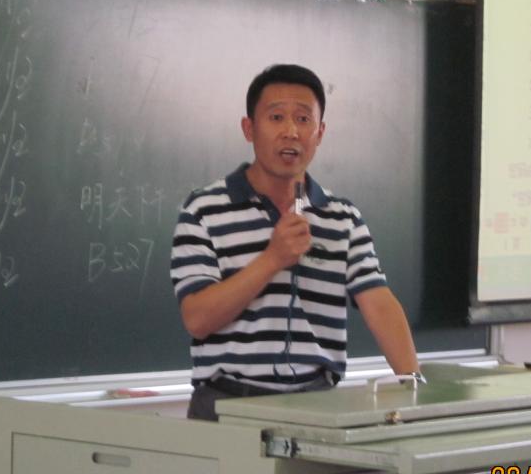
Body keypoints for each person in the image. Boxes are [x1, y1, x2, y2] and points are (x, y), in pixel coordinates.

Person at [170, 64, 422, 420]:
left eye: (303, 120)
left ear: (320, 133)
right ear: (249, 128)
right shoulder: (204, 210)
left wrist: (413, 386)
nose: (290, 132)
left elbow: (379, 304)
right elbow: (197, 319)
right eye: (276, 117)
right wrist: (271, 260)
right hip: (226, 406)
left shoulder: (342, 218)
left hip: (318, 406)